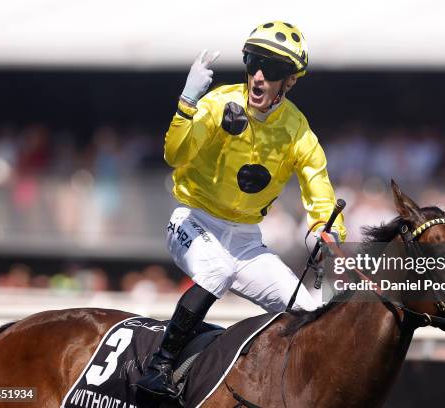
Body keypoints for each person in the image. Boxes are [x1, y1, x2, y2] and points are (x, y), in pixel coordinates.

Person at [136, 21, 346, 396]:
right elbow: (174, 155)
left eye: (274, 69)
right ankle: (159, 367)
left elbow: (319, 189)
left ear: (291, 81)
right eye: (253, 62)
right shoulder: (219, 104)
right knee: (216, 270)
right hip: (192, 219)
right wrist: (187, 104)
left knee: (309, 310)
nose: (259, 77)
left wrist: (326, 226)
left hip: (246, 241)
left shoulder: (299, 131)